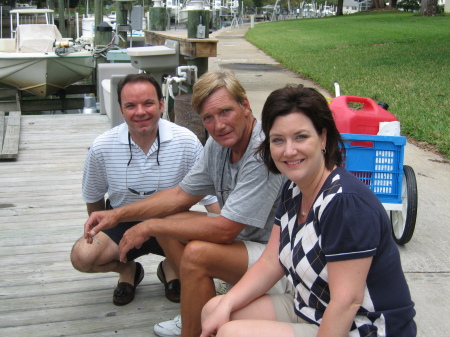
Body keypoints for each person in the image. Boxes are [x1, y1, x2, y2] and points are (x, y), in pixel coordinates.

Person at [83, 70, 289, 337]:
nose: (219, 125)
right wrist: (117, 215)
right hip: (247, 242)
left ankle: (192, 327)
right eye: (208, 118)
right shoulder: (220, 144)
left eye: (226, 111)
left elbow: (226, 230)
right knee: (169, 223)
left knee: (196, 255)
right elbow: (180, 195)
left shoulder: (261, 152)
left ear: (245, 106)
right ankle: (195, 308)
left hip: (278, 256)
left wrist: (147, 227)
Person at [200, 85, 417, 337]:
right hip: (310, 307)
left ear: (323, 137)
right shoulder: (294, 188)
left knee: (233, 333)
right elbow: (272, 261)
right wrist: (225, 303)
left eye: (300, 137)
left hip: (363, 325)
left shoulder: (345, 203)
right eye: (278, 140)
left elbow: (346, 303)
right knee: (214, 311)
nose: (289, 150)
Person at [70, 73, 219, 306]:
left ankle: (171, 267)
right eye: (131, 105)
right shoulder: (102, 147)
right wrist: (99, 230)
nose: (140, 112)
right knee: (82, 256)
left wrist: (226, 230)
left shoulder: (186, 141)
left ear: (161, 105)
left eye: (148, 103)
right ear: (121, 110)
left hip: (172, 222)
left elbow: (211, 199)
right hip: (122, 220)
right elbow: (94, 199)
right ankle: (128, 270)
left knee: (214, 241)